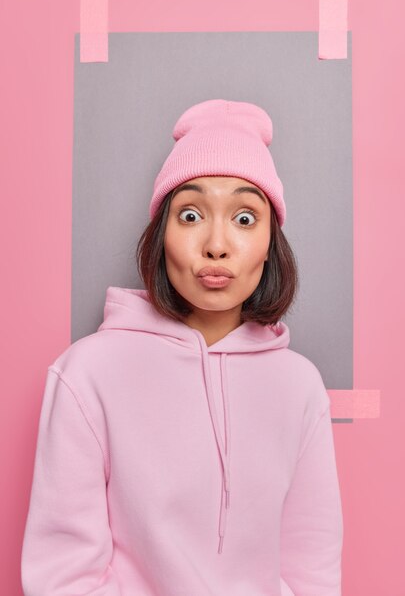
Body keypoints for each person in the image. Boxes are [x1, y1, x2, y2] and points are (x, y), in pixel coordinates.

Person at [21, 99, 344, 595]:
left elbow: (312, 571)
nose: (216, 244)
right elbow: (63, 577)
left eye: (244, 218)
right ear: (161, 236)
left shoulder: (299, 387)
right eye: (191, 214)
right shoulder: (88, 374)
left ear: (270, 244)